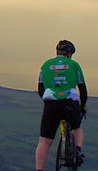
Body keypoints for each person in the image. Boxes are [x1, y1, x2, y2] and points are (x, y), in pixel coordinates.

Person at [35, 39, 87, 171]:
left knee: (44, 141)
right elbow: (83, 90)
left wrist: (47, 102)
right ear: (70, 54)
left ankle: (39, 169)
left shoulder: (45, 65)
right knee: (77, 128)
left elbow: (40, 89)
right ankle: (78, 150)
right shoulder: (74, 65)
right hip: (70, 100)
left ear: (57, 52)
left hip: (51, 102)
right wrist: (82, 107)